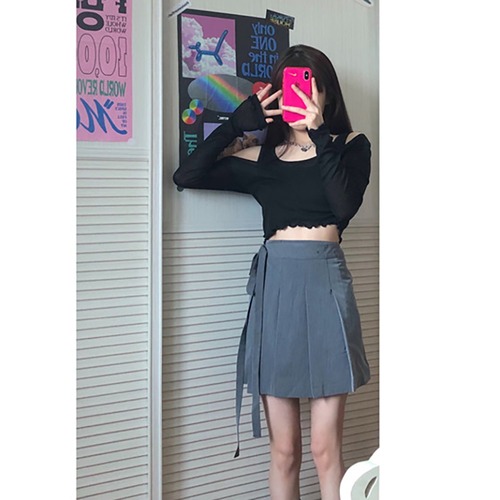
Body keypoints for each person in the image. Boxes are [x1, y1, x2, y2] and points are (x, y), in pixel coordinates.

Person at [173, 44, 372, 500]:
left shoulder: (350, 146)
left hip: (325, 288)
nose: (301, 96)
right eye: (291, 88)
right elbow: (187, 176)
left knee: (325, 450)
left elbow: (344, 206)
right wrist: (236, 124)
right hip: (276, 290)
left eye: (310, 86)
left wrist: (319, 135)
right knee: (283, 451)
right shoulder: (262, 156)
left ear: (327, 93)